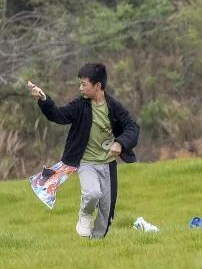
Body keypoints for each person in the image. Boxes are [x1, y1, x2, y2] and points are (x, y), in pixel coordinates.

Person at [27, 63, 140, 238]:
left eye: (83, 84)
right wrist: (43, 99)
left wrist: (120, 143)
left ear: (98, 86)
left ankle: (95, 243)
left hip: (108, 165)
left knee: (106, 212)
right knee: (92, 193)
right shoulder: (79, 105)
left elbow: (132, 127)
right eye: (80, 84)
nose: (80, 88)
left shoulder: (114, 107)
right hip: (86, 163)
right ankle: (85, 214)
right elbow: (58, 115)